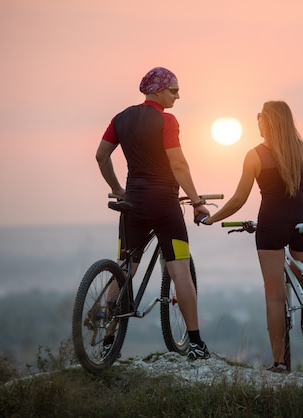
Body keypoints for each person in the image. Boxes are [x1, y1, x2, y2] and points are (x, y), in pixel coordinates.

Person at [199, 100, 303, 373]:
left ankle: (279, 362)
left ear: (267, 121)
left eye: (259, 116)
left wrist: (211, 218)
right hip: (302, 220)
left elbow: (237, 200)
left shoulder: (255, 155)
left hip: (271, 225)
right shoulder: (299, 151)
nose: (256, 120)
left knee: (274, 297)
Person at [95, 66, 211, 360]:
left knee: (125, 267)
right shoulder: (166, 120)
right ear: (158, 89)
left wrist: (117, 188)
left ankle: (108, 340)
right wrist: (197, 201)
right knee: (179, 270)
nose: (178, 95)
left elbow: (101, 155)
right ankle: (195, 343)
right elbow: (179, 165)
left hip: (132, 204)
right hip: (164, 206)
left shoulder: (120, 118)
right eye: (174, 90)